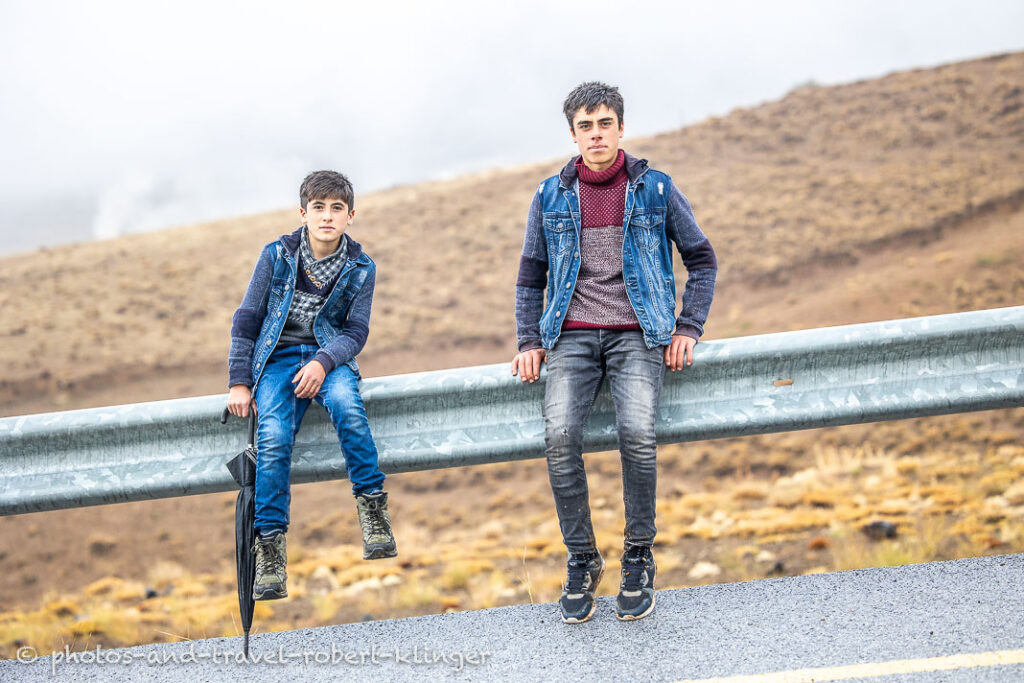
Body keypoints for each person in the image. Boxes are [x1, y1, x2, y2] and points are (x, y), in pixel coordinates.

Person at [512, 82, 717, 623]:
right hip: (572, 336)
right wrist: (529, 342)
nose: (596, 134)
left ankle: (638, 556)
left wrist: (688, 327)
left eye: (605, 123)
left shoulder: (656, 189)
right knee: (559, 439)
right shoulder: (549, 195)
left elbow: (702, 259)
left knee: (638, 437)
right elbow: (530, 278)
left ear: (621, 128)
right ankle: (582, 558)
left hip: (638, 333)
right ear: (573, 133)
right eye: (586, 125)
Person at [226, 170, 397, 600]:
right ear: (303, 213)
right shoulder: (276, 256)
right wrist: (239, 381)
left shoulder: (361, 267)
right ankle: (270, 554)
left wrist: (323, 363)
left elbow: (356, 332)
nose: (327, 216)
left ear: (350, 216)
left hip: (328, 358)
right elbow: (248, 317)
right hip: (277, 361)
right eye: (318, 208)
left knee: (348, 408)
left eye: (336, 208)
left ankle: (374, 515)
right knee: (274, 437)